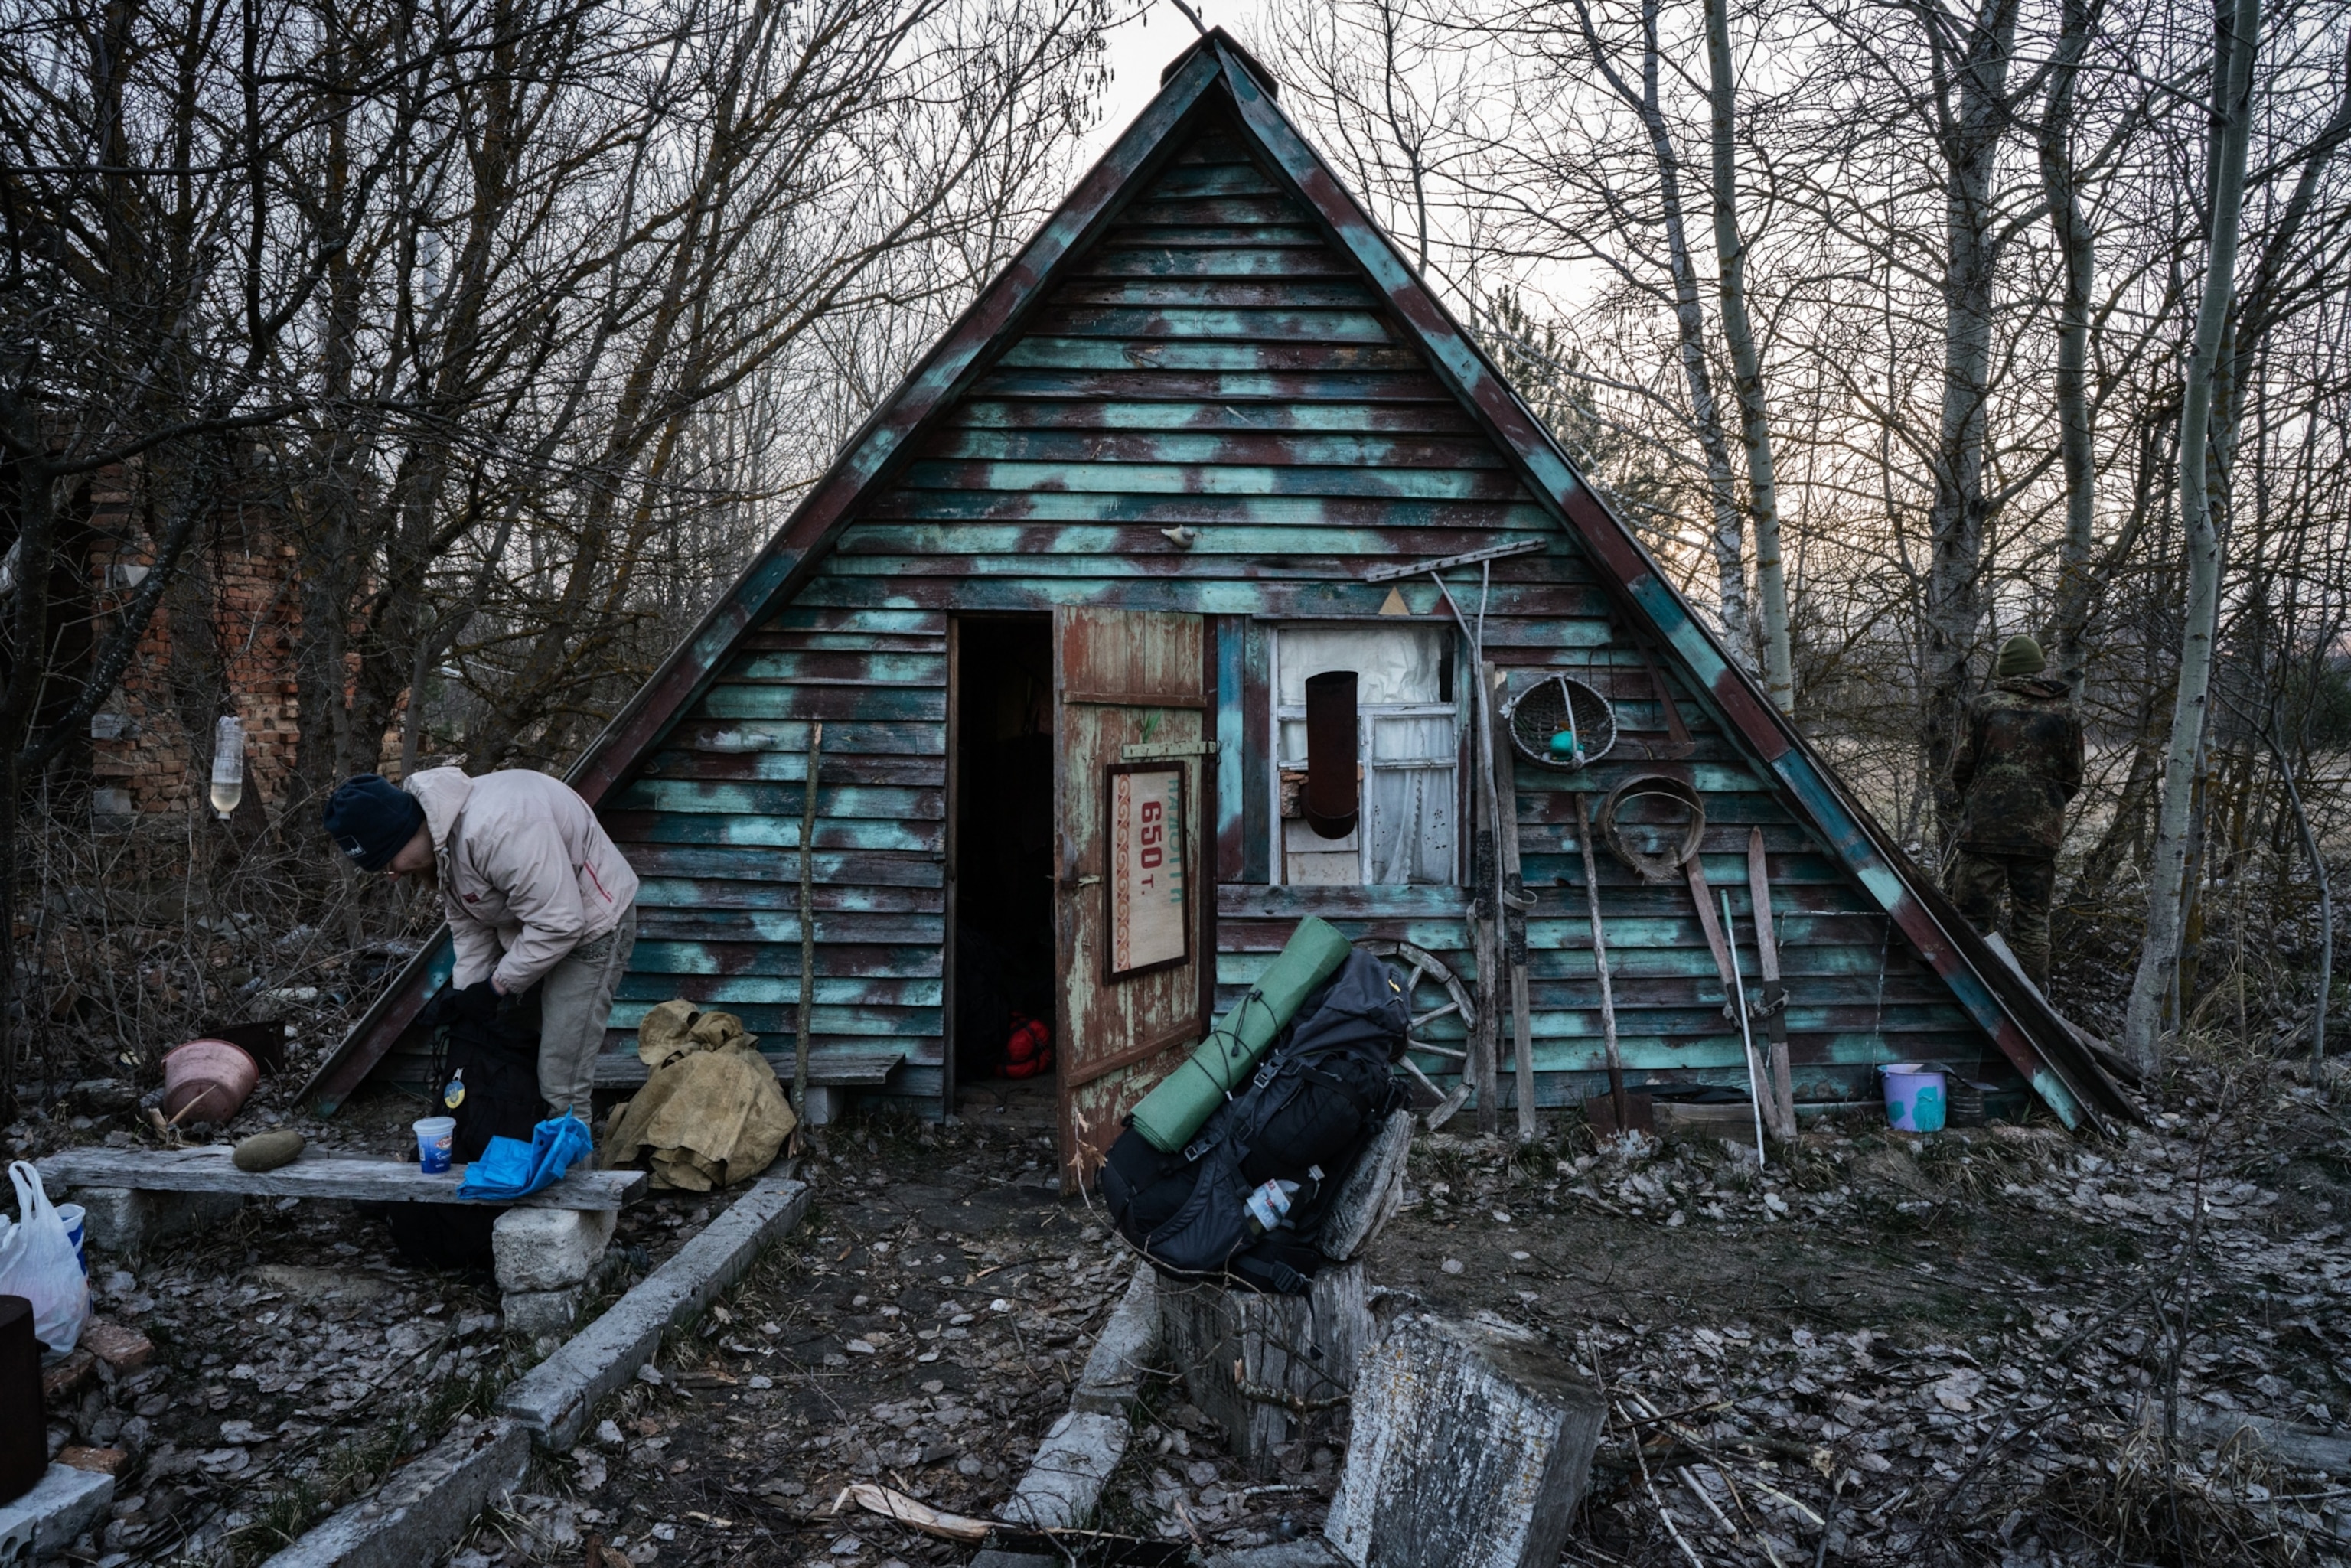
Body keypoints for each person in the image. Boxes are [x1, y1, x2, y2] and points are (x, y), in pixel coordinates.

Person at [323, 768, 639, 1127]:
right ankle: (516, 1166)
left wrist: (495, 986)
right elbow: (470, 924)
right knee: (508, 1047)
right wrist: (466, 997)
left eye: (387, 862)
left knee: (560, 1080)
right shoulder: (441, 843)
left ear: (403, 833)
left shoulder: (496, 830)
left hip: (592, 926)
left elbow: (561, 923)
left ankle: (573, 1181)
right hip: (536, 929)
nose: (393, 875)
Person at [1948, 635, 2083, 989]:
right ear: (2038, 665)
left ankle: (1969, 996)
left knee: (1970, 922)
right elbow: (2073, 778)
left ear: (2005, 669)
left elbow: (1961, 769)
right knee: (2032, 924)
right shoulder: (2065, 712)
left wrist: (1981, 801)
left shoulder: (1983, 706)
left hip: (1983, 833)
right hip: (2039, 836)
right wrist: (2043, 810)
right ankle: (2034, 1008)